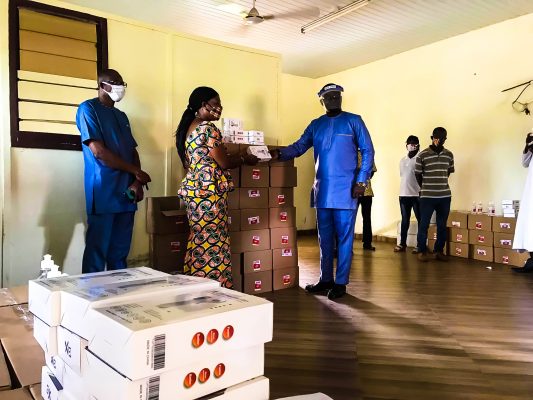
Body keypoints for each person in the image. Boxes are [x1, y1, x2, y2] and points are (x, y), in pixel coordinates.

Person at [270, 83, 374, 300]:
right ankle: (325, 279)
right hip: (322, 190)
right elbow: (299, 146)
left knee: (344, 239)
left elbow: (368, 150)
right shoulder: (316, 124)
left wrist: (361, 181)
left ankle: (341, 283)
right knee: (324, 239)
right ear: (322, 101)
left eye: (337, 96)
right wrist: (277, 154)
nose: (334, 99)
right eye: (329, 97)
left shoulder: (354, 120)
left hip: (347, 191)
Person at [176, 87, 258, 288]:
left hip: (194, 192)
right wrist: (244, 158)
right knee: (214, 239)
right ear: (203, 105)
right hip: (209, 192)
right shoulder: (208, 129)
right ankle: (216, 287)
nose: (219, 108)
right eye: (215, 104)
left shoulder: (188, 129)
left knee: (199, 237)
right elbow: (224, 162)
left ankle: (196, 284)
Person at [76, 69, 151, 274]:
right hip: (103, 191)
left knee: (119, 254)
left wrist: (136, 181)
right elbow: (99, 152)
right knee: (97, 252)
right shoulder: (88, 109)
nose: (120, 86)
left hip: (127, 193)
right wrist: (136, 171)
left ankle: (118, 292)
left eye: (121, 82)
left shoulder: (121, 116)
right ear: (102, 85)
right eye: (114, 82)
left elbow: (132, 150)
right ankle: (90, 293)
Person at [415, 127, 454, 262]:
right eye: (437, 138)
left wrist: (439, 183)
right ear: (432, 138)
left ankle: (439, 251)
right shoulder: (422, 155)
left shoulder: (449, 155)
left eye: (443, 138)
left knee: (442, 225)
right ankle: (422, 250)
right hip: (427, 197)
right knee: (424, 224)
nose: (440, 140)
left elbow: (448, 172)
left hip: (444, 196)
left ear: (445, 139)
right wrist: (425, 187)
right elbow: (418, 174)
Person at [394, 135, 421, 253]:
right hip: (403, 195)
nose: (411, 146)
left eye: (414, 143)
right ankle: (402, 244)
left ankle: (420, 245)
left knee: (421, 220)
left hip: (417, 195)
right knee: (405, 220)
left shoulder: (420, 159)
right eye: (409, 143)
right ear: (406, 145)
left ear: (418, 146)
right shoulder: (402, 160)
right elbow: (403, 175)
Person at [511, 132, 533, 273]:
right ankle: (532, 259)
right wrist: (527, 146)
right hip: (530, 190)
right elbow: (525, 163)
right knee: (529, 225)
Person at [357, 151, 377, 251]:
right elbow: (372, 172)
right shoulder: (368, 154)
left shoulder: (369, 154)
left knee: (366, 217)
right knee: (364, 218)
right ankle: (367, 243)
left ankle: (367, 242)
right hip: (360, 190)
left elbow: (372, 171)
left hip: (359, 190)